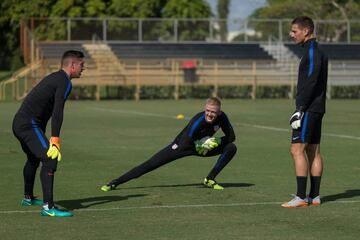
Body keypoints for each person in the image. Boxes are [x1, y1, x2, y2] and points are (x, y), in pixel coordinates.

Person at [101, 97, 237, 192]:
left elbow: (232, 137)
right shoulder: (198, 120)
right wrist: (200, 144)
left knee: (231, 148)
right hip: (182, 146)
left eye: (213, 112)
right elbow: (189, 137)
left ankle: (210, 179)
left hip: (204, 147)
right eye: (208, 110)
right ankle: (115, 183)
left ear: (218, 112)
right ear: (205, 109)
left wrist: (217, 141)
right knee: (150, 164)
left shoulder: (222, 117)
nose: (210, 114)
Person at [12, 50, 85, 217]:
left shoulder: (57, 78)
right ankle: (48, 207)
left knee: (33, 158)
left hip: (21, 123)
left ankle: (28, 198)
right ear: (72, 65)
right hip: (28, 125)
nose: (83, 68)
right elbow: (58, 110)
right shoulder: (64, 82)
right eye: (81, 65)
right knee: (50, 157)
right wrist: (55, 139)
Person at [282, 16, 328, 208]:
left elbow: (310, 82)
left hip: (308, 109)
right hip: (316, 108)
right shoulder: (317, 51)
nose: (292, 34)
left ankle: (301, 197)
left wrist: (299, 109)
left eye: (294, 31)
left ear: (306, 31)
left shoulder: (311, 52)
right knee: (313, 150)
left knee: (296, 149)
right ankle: (314, 196)